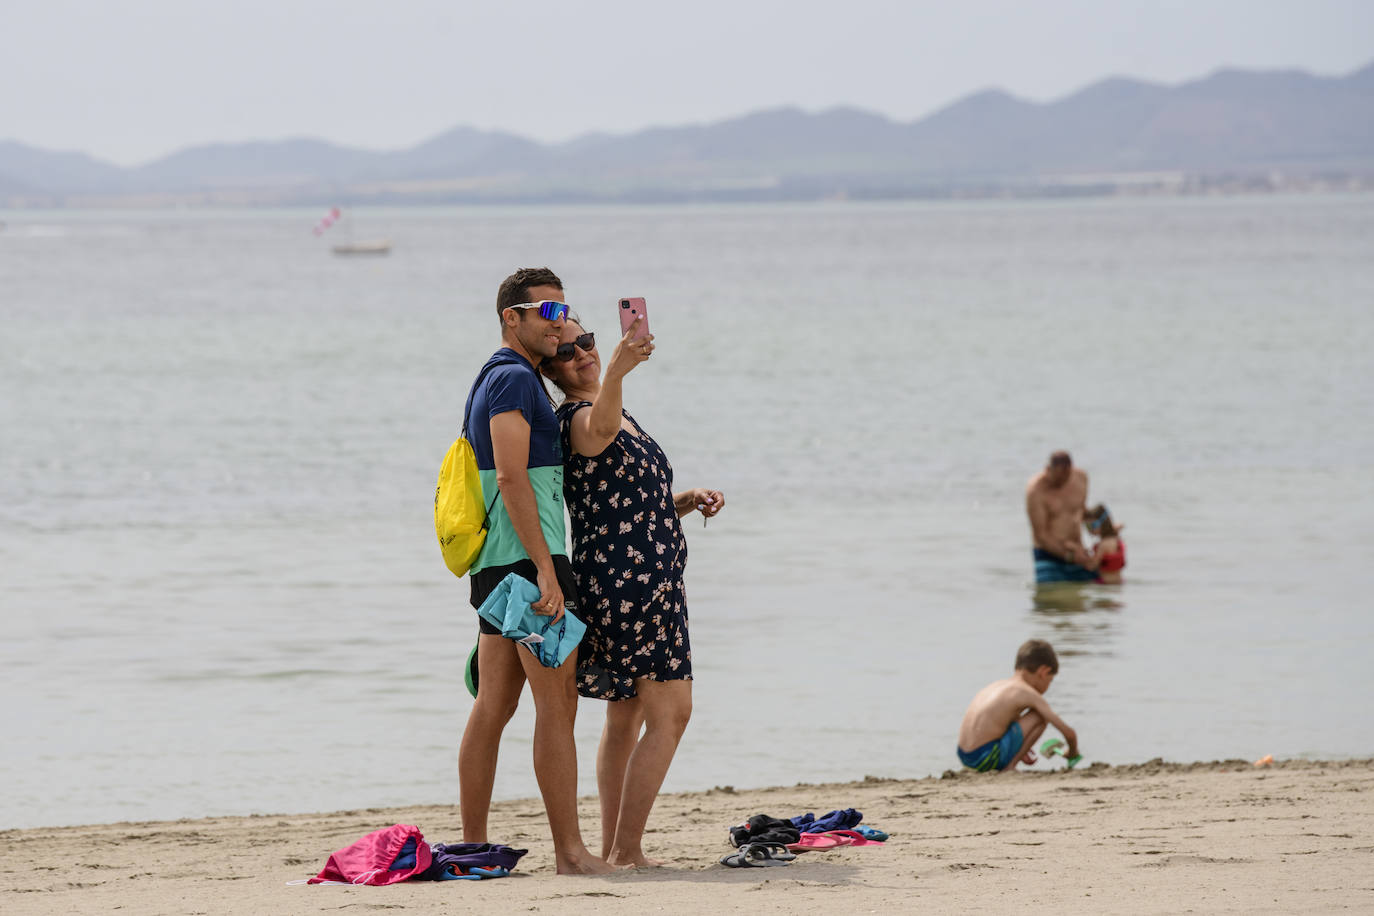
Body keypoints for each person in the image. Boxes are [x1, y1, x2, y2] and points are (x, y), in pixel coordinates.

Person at [540, 313, 724, 867]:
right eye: (567, 352)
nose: (583, 355)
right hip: (631, 588)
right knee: (672, 712)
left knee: (626, 716)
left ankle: (618, 847)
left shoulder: (615, 410)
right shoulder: (576, 416)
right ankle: (627, 849)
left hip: (644, 581)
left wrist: (685, 500)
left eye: (588, 343)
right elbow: (597, 433)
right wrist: (618, 369)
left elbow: (624, 509)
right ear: (550, 370)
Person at [456, 267, 611, 875]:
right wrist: (548, 569)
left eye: (564, 311)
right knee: (557, 706)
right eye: (545, 312)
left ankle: (472, 843)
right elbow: (515, 477)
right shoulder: (515, 380)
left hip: (500, 563)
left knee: (493, 704)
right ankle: (571, 854)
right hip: (527, 562)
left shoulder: (496, 378)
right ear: (510, 319)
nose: (558, 323)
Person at [957, 639, 1079, 773]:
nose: (1048, 686)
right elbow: (1069, 734)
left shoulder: (997, 686)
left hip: (965, 756)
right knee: (1040, 716)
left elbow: (999, 725)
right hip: (984, 758)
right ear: (1044, 672)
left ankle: (1006, 761)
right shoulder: (1027, 692)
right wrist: (1072, 752)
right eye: (1050, 681)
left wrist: (1020, 748)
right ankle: (1010, 767)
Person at [1026, 450, 1095, 584]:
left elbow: (1082, 512)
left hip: (1078, 552)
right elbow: (1041, 535)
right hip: (1048, 556)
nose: (1060, 484)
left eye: (1065, 479)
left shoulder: (1081, 478)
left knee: (1087, 600)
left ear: (1071, 470)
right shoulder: (1035, 490)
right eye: (1057, 479)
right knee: (1050, 602)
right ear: (1048, 469)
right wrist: (1070, 556)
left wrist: (1102, 531)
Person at [1083, 504, 1126, 584]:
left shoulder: (1103, 545)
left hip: (1105, 583)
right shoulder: (1115, 538)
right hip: (1119, 581)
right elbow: (1120, 526)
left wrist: (1083, 556)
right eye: (1087, 527)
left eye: (1091, 526)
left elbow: (1092, 566)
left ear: (1102, 524)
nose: (1089, 530)